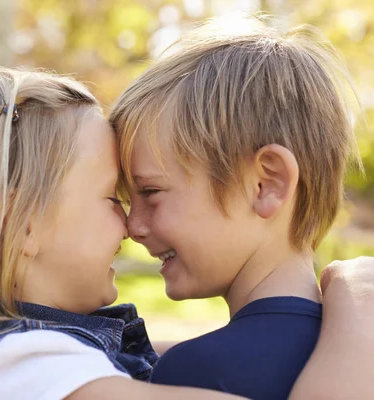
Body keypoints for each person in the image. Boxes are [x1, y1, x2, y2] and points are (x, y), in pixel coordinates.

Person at [0, 66, 374, 400]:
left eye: (145, 193)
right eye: (114, 196)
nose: (130, 225)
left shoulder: (23, 363)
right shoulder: (15, 374)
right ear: (18, 223)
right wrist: (357, 306)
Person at [110, 15, 365, 399]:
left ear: (267, 184)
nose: (133, 226)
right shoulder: (358, 345)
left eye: (150, 192)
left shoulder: (198, 371)